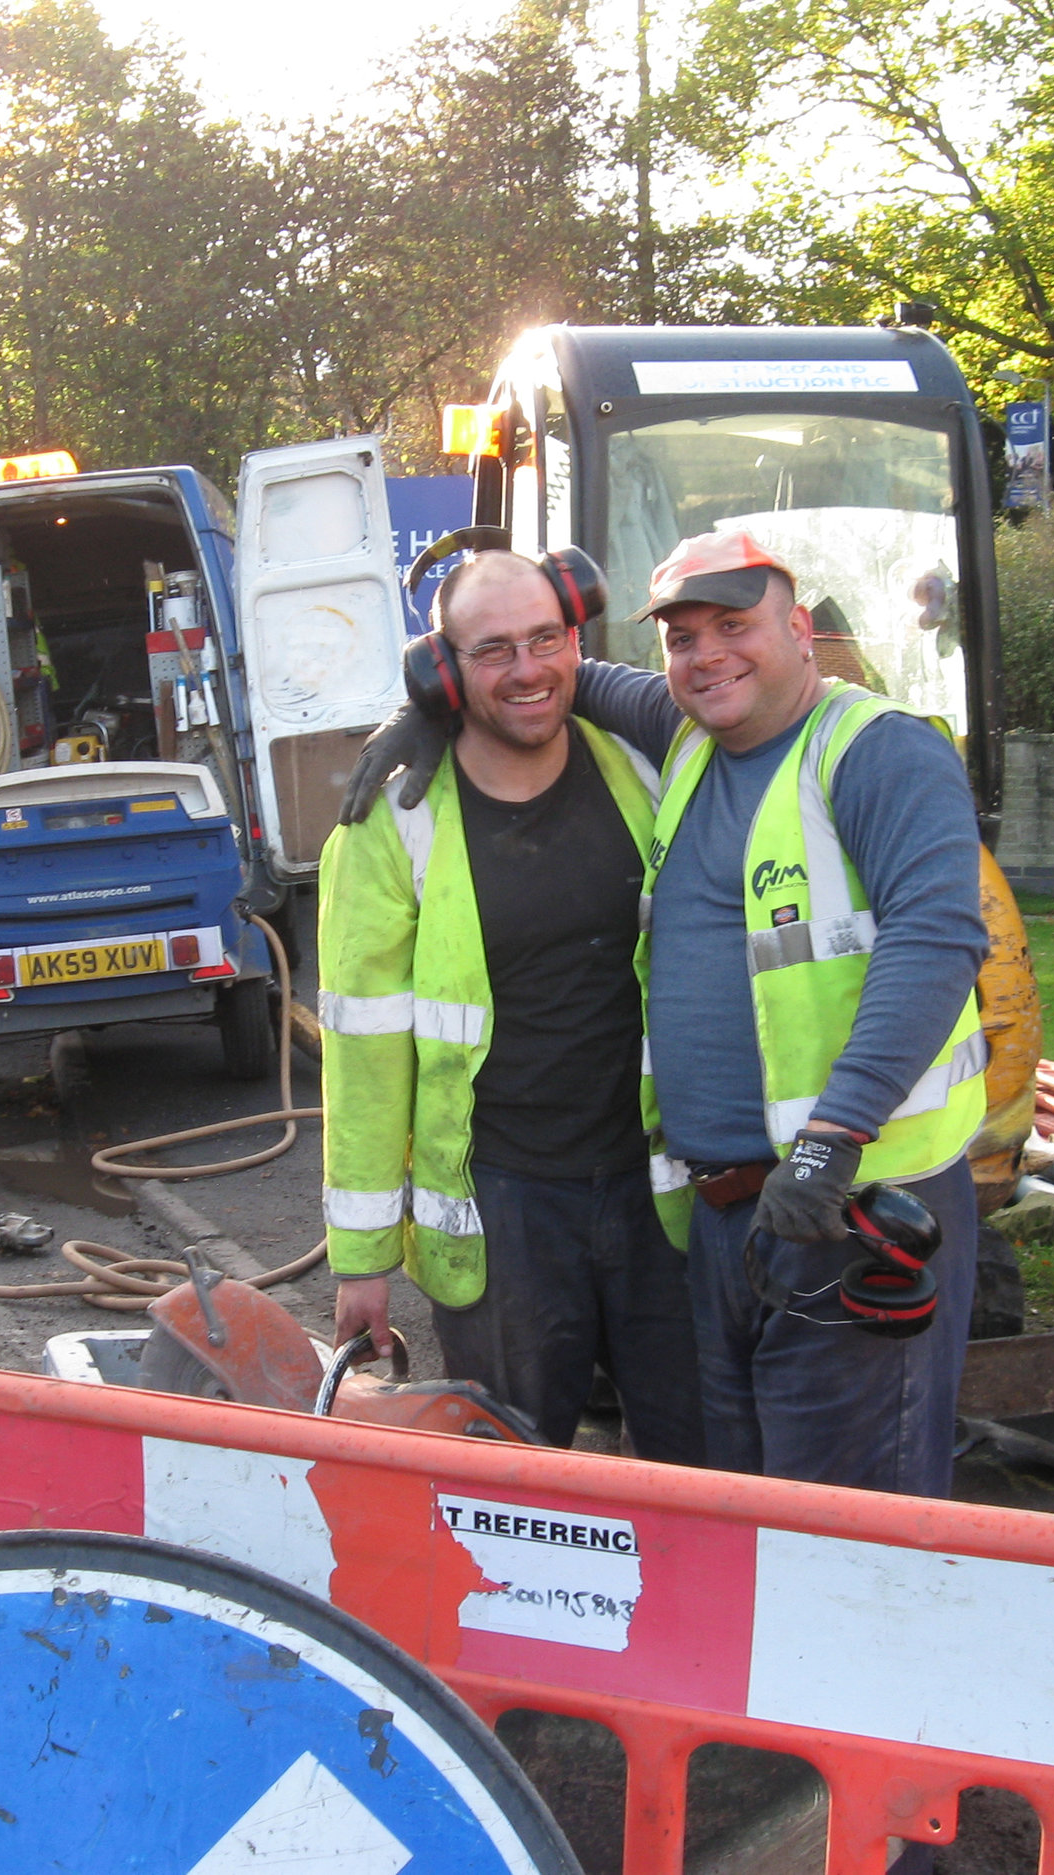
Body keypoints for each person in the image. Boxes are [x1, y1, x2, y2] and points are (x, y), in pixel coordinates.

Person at [342, 529, 988, 1496]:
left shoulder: (873, 752)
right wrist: (426, 706)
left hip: (849, 1206)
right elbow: (555, 676)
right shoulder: (689, 742)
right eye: (683, 638)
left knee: (850, 1521)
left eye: (736, 625)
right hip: (719, 1220)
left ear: (800, 629)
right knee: (720, 1506)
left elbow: (936, 937)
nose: (708, 654)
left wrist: (833, 1136)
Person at [317, 548, 705, 1464]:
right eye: (494, 650)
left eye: (546, 638)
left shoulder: (646, 770)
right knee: (512, 1483)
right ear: (443, 672)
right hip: (507, 1215)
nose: (529, 670)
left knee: (698, 1468)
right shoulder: (391, 822)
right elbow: (363, 1051)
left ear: (579, 639)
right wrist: (362, 1262)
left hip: (662, 1194)